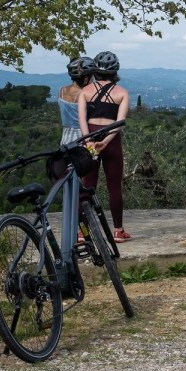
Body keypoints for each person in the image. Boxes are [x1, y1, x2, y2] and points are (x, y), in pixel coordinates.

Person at [78, 51, 132, 243]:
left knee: (87, 185)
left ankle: (82, 232)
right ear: (115, 72)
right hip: (111, 141)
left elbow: (81, 120)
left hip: (90, 139)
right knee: (114, 187)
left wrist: (88, 141)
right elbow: (120, 122)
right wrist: (106, 141)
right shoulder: (122, 93)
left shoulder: (84, 92)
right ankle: (118, 230)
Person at [58, 57, 94, 145]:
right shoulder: (83, 94)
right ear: (86, 78)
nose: (93, 79)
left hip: (65, 137)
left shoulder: (61, 90)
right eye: (92, 76)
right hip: (81, 137)